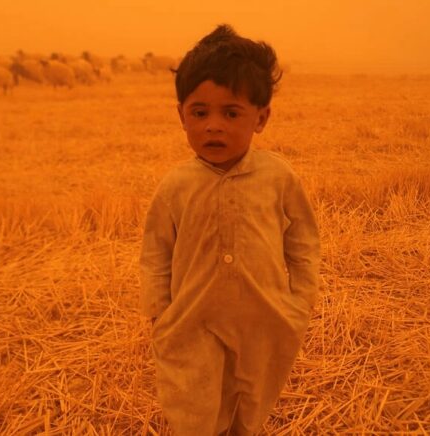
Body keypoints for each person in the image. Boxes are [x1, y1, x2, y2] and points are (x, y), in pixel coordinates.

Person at [139, 24, 321, 435]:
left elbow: (304, 242)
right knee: (194, 409)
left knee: (253, 403)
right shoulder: (176, 186)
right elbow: (155, 253)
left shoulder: (279, 177)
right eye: (199, 113)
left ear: (262, 118)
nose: (213, 126)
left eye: (231, 113)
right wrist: (159, 312)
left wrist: (300, 302)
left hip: (264, 318)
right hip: (192, 321)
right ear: (181, 115)